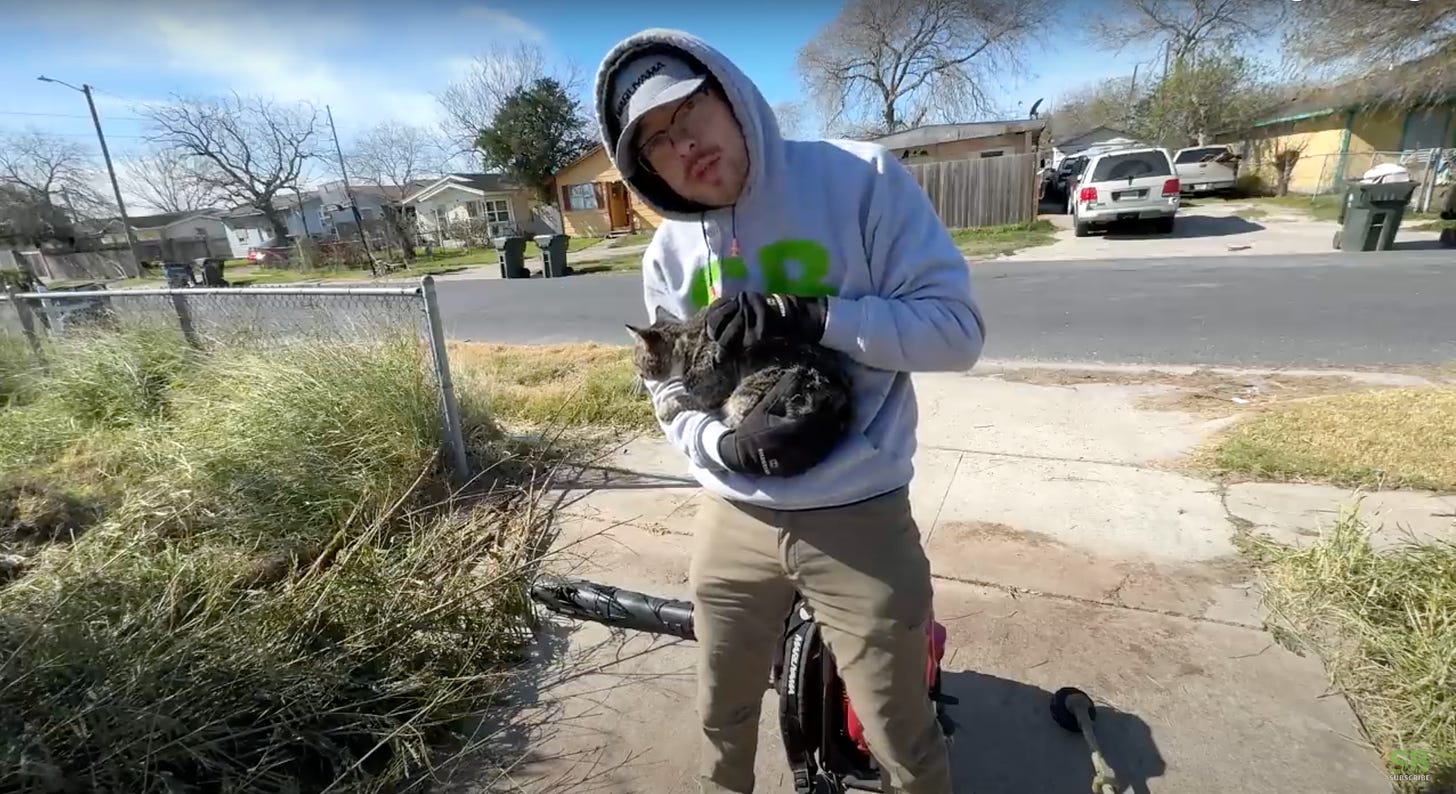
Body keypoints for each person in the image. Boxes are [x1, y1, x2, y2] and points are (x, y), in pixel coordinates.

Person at [593, 28, 986, 794]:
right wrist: (716, 445)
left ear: (728, 92)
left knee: (899, 731)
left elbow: (957, 334)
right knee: (720, 711)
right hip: (734, 511)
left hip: (860, 509)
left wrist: (815, 315)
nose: (685, 145)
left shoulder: (861, 178)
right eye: (658, 143)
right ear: (644, 169)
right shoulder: (670, 252)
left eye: (688, 111)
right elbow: (665, 387)